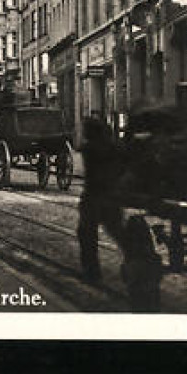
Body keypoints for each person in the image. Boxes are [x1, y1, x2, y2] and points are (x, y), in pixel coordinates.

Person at [77, 114, 126, 284]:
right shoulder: (114, 148)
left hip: (93, 197)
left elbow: (84, 151)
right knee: (118, 231)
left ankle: (92, 273)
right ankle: (134, 258)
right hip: (112, 195)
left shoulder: (89, 149)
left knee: (86, 234)